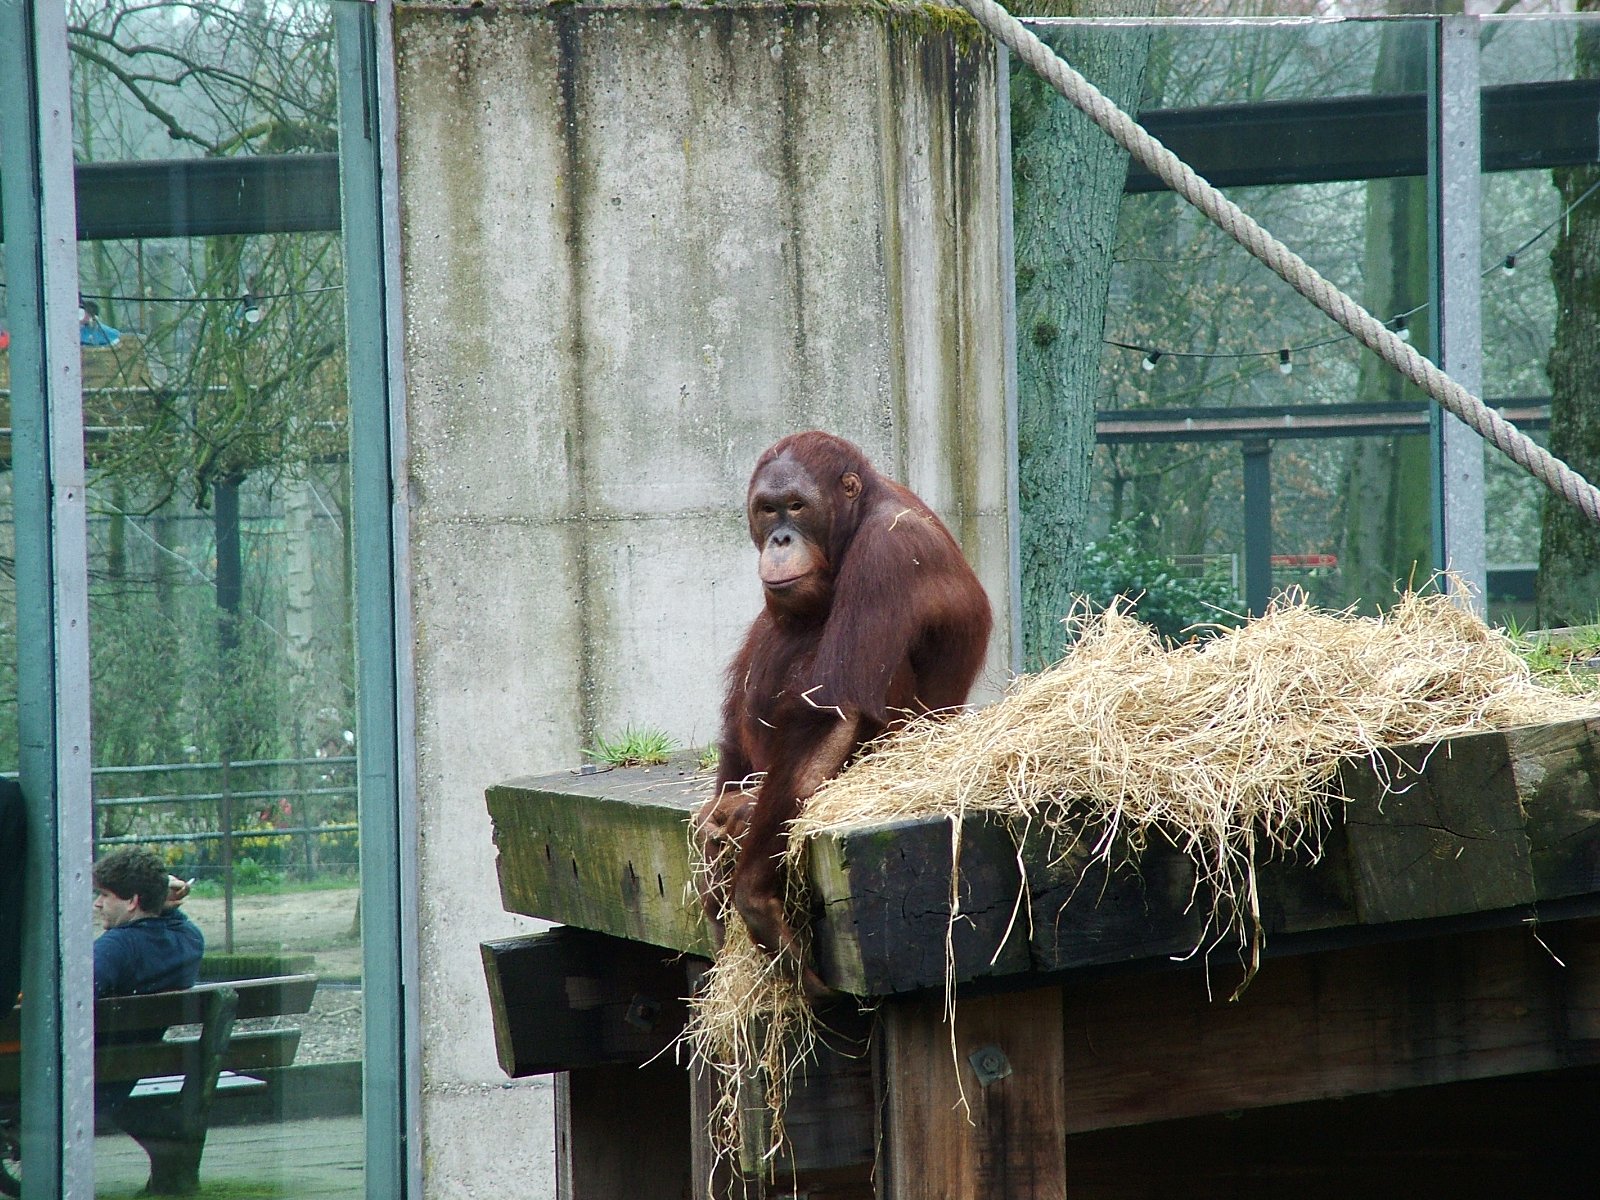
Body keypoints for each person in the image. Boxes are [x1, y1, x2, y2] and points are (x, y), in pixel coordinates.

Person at [92, 847, 203, 1000]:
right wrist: (157, 897)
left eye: (105, 895)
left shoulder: (115, 948)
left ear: (132, 901)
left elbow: (74, 995)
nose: (97, 903)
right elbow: (175, 922)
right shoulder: (190, 940)